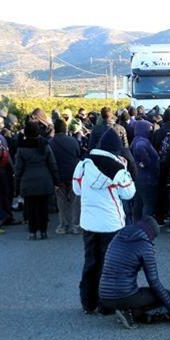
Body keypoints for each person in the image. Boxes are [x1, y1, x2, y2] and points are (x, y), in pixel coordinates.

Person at [73, 129, 136, 314]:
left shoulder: (83, 164)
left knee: (90, 261)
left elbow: (77, 189)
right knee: (109, 264)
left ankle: (87, 302)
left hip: (88, 222)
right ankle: (105, 304)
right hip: (110, 223)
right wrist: (124, 169)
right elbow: (128, 193)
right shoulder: (116, 166)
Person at [99, 216, 170, 328]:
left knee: (137, 292)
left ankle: (121, 308)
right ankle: (130, 313)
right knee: (168, 296)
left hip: (104, 295)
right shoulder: (145, 246)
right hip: (124, 296)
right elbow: (154, 282)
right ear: (151, 234)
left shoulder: (118, 236)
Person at [13, 120, 60, 240]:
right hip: (45, 179)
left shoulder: (22, 147)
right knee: (43, 207)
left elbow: (18, 169)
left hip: (27, 180)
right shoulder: (45, 145)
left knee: (30, 207)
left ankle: (32, 232)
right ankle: (43, 231)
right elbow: (52, 164)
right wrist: (56, 181)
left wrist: (17, 185)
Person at [50, 116, 83, 235]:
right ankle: (75, 225)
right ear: (65, 129)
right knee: (75, 200)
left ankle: (63, 225)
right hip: (73, 173)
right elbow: (78, 153)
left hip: (58, 175)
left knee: (61, 201)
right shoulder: (73, 140)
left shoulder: (50, 142)